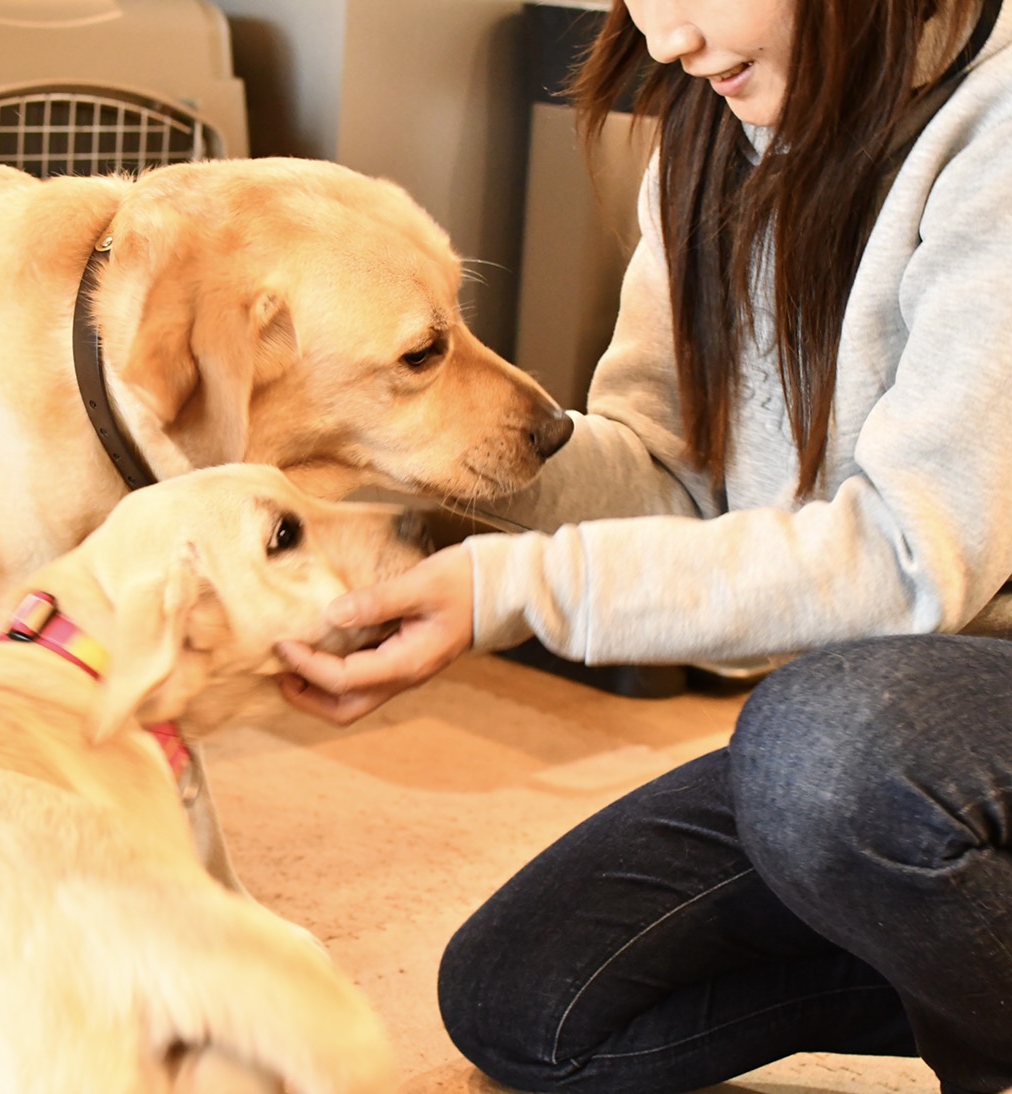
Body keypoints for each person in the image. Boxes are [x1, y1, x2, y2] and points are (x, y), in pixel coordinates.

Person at [274, 0, 1012, 1090]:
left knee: (821, 751)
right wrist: (404, 464)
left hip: (937, 707)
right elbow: (668, 480)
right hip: (901, 729)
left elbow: (909, 558)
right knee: (528, 1003)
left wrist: (506, 588)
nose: (661, 36)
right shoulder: (708, 130)